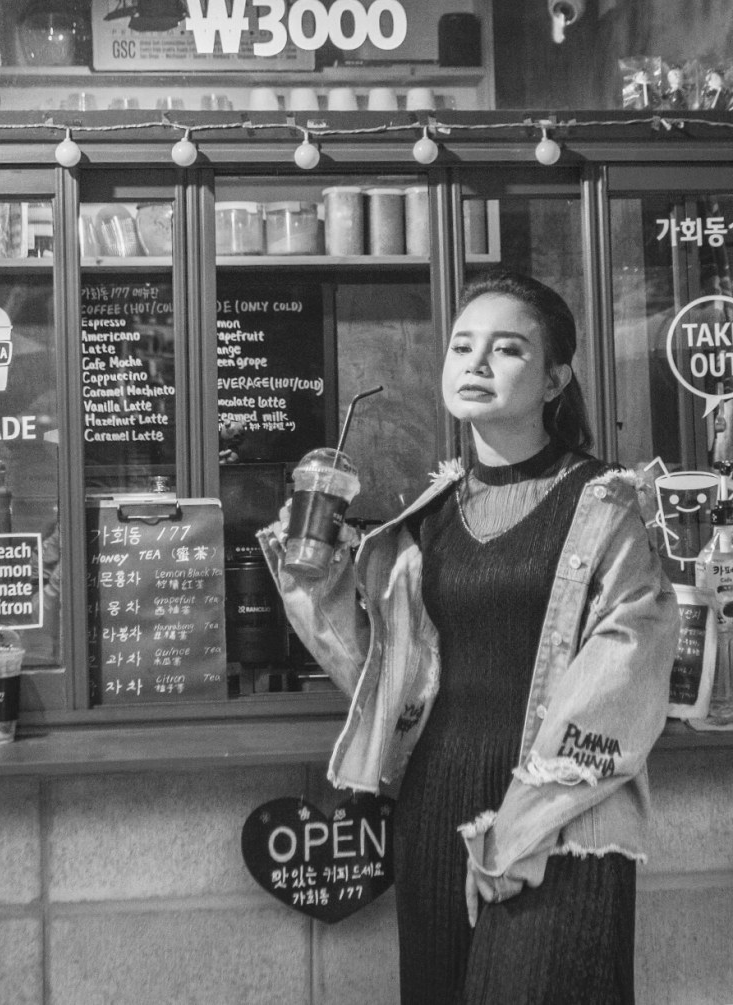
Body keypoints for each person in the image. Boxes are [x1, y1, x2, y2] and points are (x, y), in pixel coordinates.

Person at [258, 268, 679, 1005]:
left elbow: (623, 674)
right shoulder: (428, 517)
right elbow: (382, 678)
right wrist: (314, 579)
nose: (477, 363)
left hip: (560, 818)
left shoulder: (605, 505)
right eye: (462, 346)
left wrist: (517, 830)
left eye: (507, 348)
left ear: (555, 379)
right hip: (435, 809)